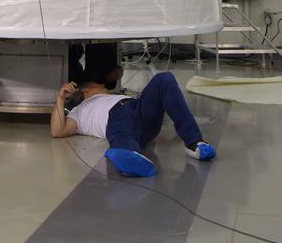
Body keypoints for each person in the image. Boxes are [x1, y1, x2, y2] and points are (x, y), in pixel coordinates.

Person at [50, 71, 216, 177]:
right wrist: (60, 97)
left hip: (136, 107)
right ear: (86, 91)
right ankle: (129, 155)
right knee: (120, 129)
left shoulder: (114, 97)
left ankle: (194, 143)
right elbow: (58, 131)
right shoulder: (79, 112)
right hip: (116, 119)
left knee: (164, 79)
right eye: (98, 85)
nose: (103, 87)